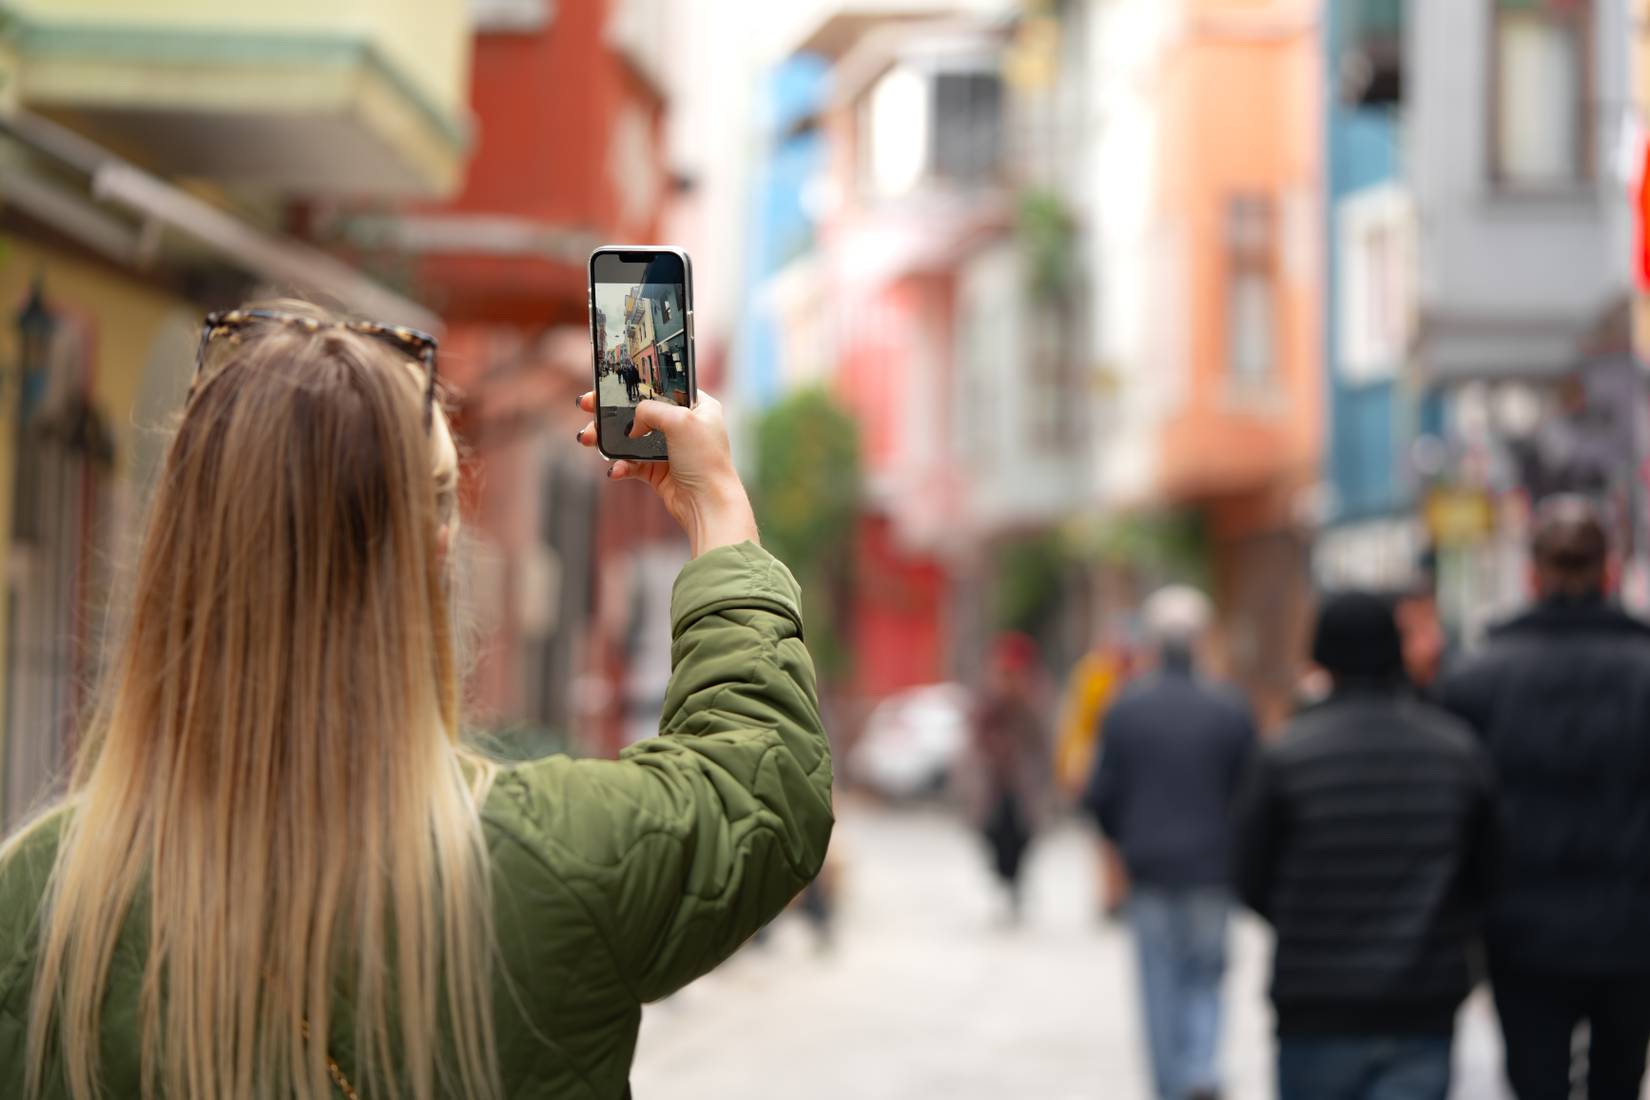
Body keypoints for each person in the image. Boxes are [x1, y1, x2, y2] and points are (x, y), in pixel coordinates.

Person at [0, 303, 833, 1100]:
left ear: (176, 548)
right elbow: (761, 787)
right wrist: (715, 505)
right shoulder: (554, 859)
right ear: (435, 551)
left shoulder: (40, 900)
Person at [1234, 591, 1499, 1100]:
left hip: (1315, 1003)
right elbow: (1486, 873)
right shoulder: (1454, 751)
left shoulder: (1285, 756)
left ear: (1320, 655)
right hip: (1422, 998)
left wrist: (1301, 917)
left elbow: (1249, 876)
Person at [1437, 495, 1650, 1100]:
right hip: (1634, 929)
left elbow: (1457, 812)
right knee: (1619, 1084)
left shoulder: (1476, 678)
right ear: (1609, 571)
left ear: (1532, 574)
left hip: (1520, 931)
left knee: (1534, 1083)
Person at [1082, 586, 1256, 1100]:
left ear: (1153, 644)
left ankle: (1172, 1085)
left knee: (1159, 985)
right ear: (1201, 641)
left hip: (1151, 868)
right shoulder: (1230, 709)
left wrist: (1125, 840)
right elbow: (1253, 793)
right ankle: (1200, 1067)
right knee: (1206, 976)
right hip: (1212, 868)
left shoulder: (1126, 709)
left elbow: (1100, 795)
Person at [967, 633, 1052, 922]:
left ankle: (1016, 883)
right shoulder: (987, 699)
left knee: (1021, 835)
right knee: (994, 834)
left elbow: (1041, 739)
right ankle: (1004, 879)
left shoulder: (1034, 699)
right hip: (993, 784)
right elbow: (975, 737)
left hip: (1022, 784)